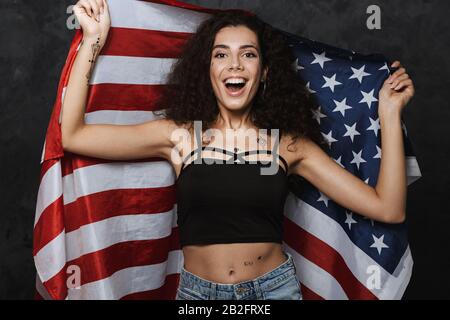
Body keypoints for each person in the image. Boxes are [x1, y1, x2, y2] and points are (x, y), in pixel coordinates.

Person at [62, 0, 415, 300]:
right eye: (221, 55)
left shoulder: (287, 145)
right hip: (198, 296)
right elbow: (74, 136)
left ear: (263, 73)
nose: (234, 65)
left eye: (248, 54)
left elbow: (388, 207)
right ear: (209, 70)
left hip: (273, 291)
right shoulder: (179, 136)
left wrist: (387, 113)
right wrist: (93, 40)